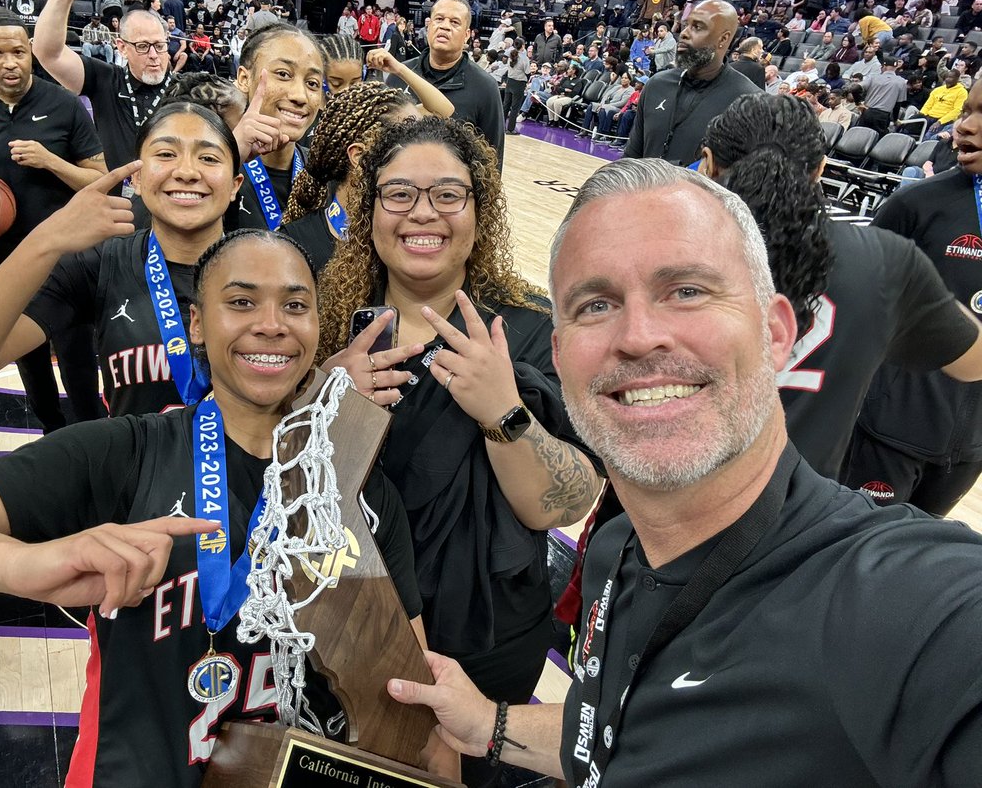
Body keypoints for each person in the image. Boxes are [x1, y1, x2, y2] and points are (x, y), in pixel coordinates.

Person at [385, 157, 982, 786]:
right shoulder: (617, 554)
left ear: (778, 333)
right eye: (596, 304)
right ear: (561, 359)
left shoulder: (907, 604)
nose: (639, 336)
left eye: (687, 291)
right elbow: (611, 729)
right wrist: (489, 724)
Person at [0, 228, 426, 787]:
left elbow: (407, 681)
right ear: (196, 323)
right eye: (241, 302)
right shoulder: (126, 452)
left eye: (295, 306)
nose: (271, 326)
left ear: (318, 325)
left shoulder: (355, 484)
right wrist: (21, 564)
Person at [315, 116, 602, 781]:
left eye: (449, 194)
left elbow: (566, 502)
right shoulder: (326, 316)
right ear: (371, 207)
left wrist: (502, 411)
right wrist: (322, 403)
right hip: (351, 616)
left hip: (489, 638)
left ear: (480, 210)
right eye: (400, 194)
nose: (424, 213)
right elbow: (280, 474)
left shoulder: (531, 327)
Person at [699, 93, 982, 478]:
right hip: (795, 519)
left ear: (708, 165)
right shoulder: (885, 264)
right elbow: (973, 363)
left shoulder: (656, 251)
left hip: (654, 514)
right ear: (820, 170)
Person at [0, 103, 244, 420]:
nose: (186, 172)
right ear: (135, 177)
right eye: (165, 154)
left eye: (208, 158)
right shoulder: (99, 264)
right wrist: (46, 239)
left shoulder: (267, 267)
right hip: (134, 468)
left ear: (234, 185)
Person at [0, 7, 108, 433]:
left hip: (68, 258)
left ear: (30, 50)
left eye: (18, 51)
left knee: (77, 359)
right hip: (6, 255)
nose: (9, 62)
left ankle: (90, 440)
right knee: (26, 358)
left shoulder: (64, 105)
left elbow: (102, 180)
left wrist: (51, 162)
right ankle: (51, 433)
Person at [843, 76, 982, 514]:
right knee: (855, 554)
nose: (965, 127)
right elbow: (860, 303)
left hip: (971, 446)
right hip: (890, 430)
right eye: (966, 112)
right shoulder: (915, 204)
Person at [34, 0, 174, 179]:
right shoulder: (106, 79)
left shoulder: (186, 89)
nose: (153, 55)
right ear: (121, 46)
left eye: (159, 46)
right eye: (142, 46)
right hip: (117, 205)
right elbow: (48, 53)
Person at [281, 81, 419, 272]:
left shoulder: (415, 239)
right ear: (359, 156)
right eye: (410, 143)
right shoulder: (293, 246)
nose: (423, 154)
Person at [624, 0, 760, 166]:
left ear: (723, 39)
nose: (684, 33)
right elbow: (630, 159)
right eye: (686, 25)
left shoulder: (749, 103)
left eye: (697, 27)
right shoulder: (656, 85)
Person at [226, 23, 326, 232]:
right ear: (244, 78)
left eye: (312, 83)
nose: (300, 96)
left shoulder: (324, 177)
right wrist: (230, 158)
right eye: (283, 74)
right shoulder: (208, 170)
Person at [386, 0, 505, 162]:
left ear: (467, 35)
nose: (444, 26)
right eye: (439, 19)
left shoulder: (485, 87)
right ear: (429, 26)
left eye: (454, 22)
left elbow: (493, 157)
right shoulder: (398, 76)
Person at [858, 55, 907, 134]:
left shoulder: (874, 77)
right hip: (882, 116)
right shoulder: (901, 82)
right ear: (895, 67)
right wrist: (895, 120)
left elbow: (855, 88)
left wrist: (858, 103)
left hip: (867, 112)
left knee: (860, 136)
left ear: (884, 66)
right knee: (876, 140)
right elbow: (897, 105)